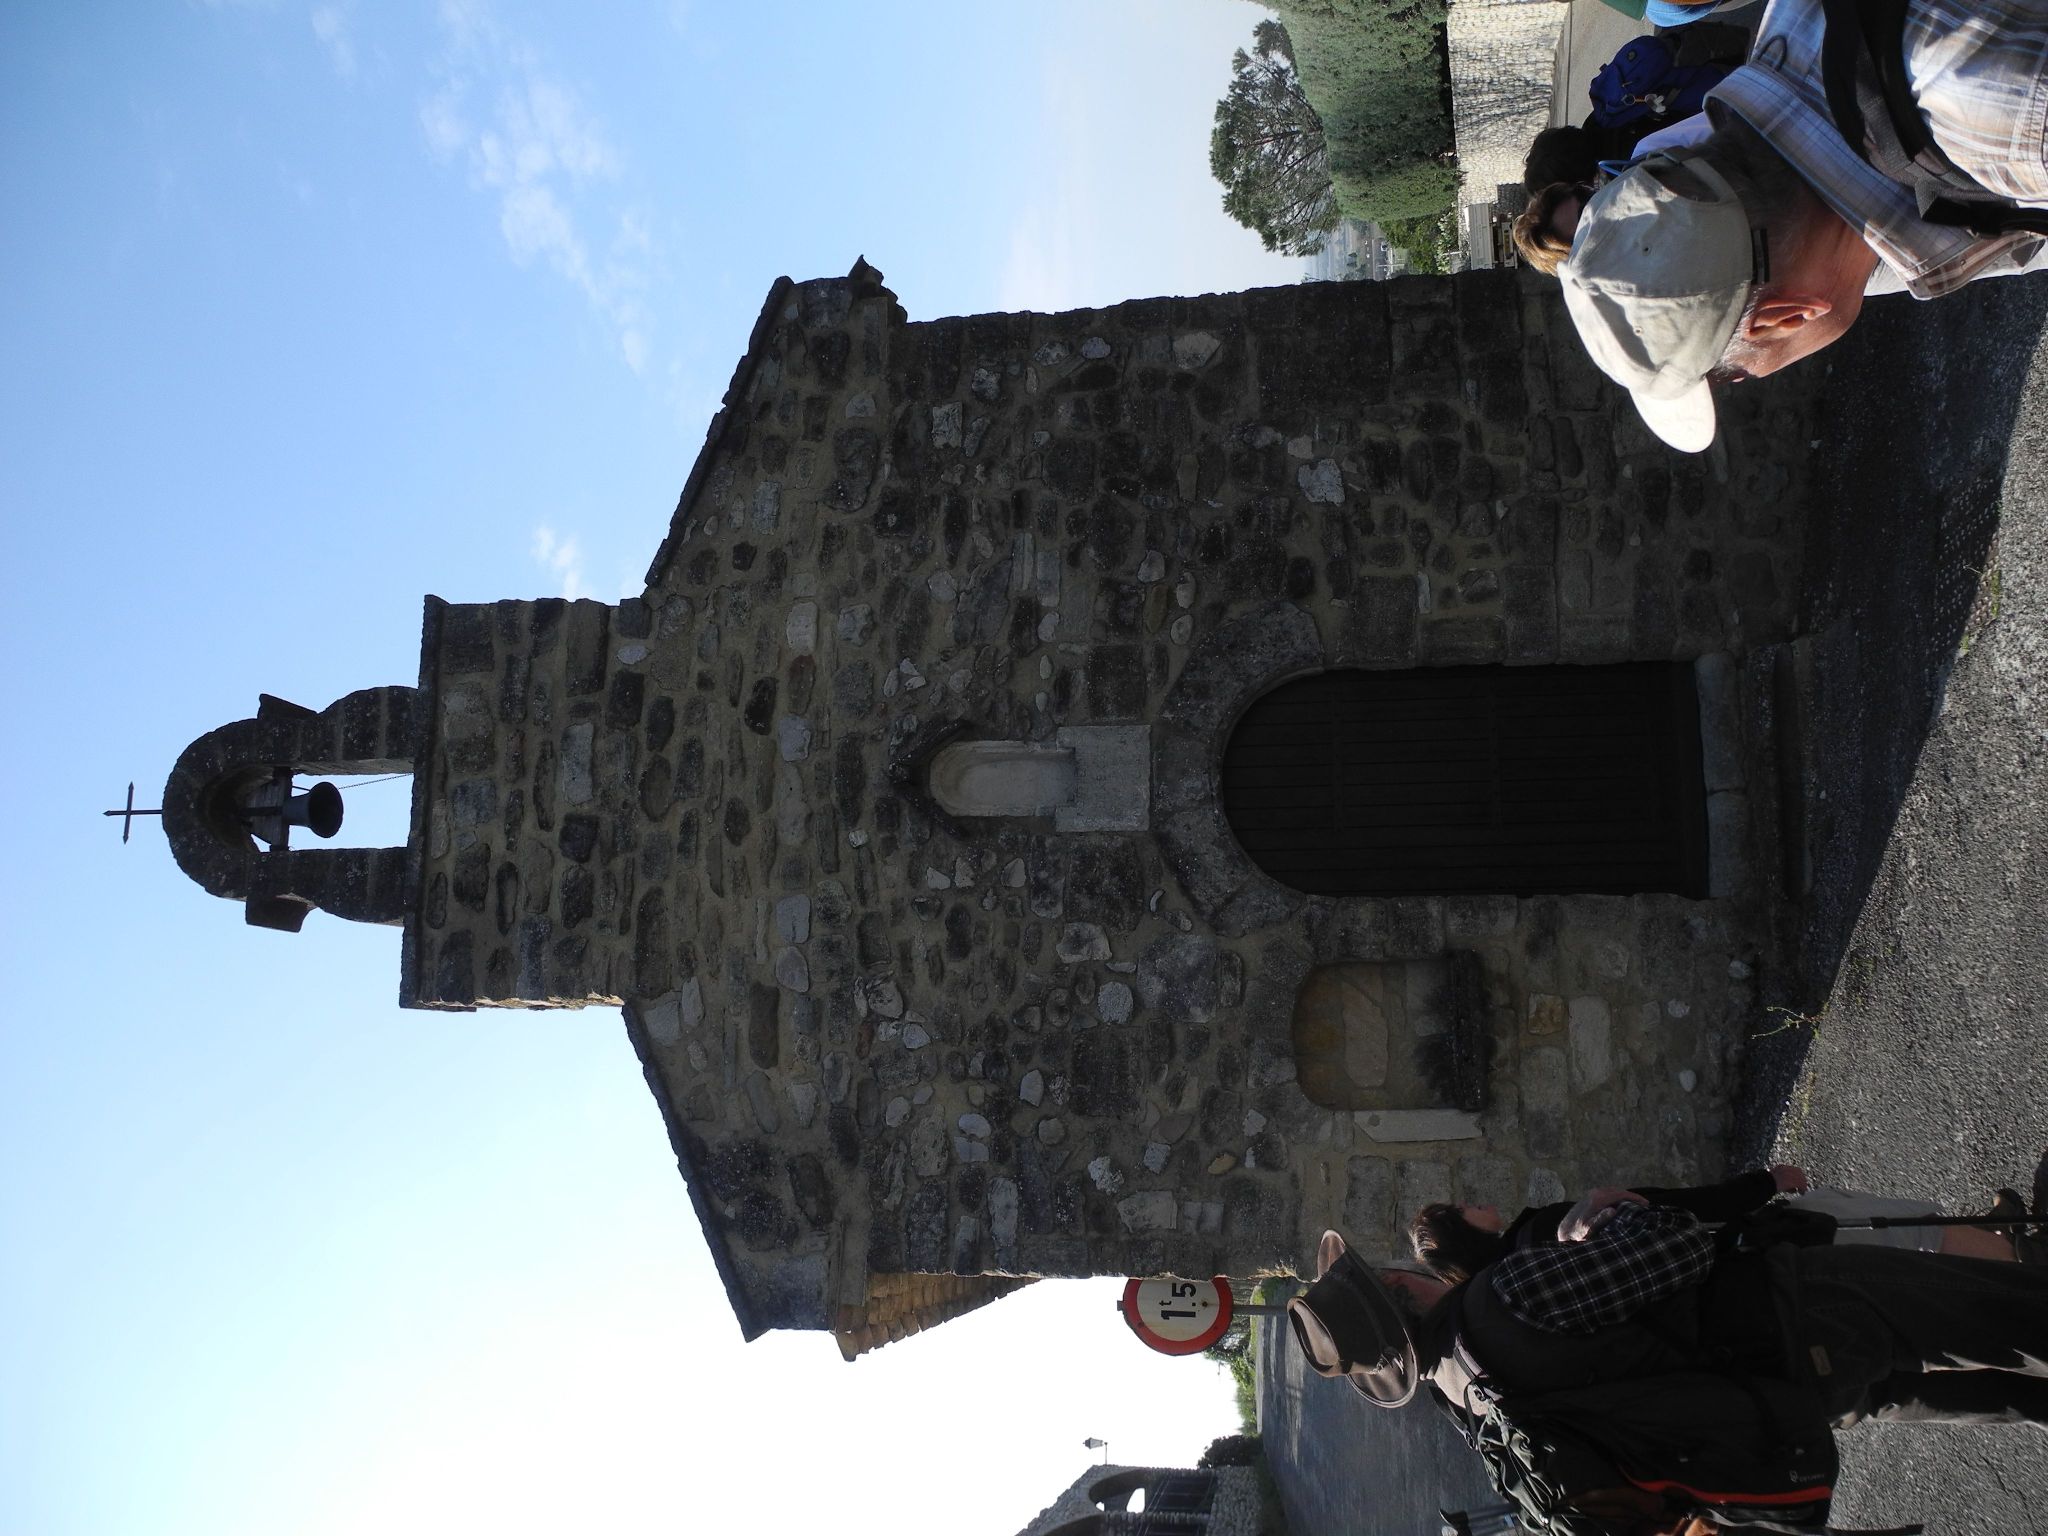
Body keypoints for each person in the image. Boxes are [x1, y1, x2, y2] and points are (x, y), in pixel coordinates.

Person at [1558, 0, 2048, 452]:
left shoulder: (2008, 139)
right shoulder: (1792, 19)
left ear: (1783, 317)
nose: (1747, 378)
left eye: (1734, 376)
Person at [1302, 1201, 2048, 1442]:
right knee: (2007, 1316)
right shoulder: (1502, 1298)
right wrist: (1605, 1220)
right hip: (1798, 1311)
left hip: (1782, 1398)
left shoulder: (1469, 1400)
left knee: (2006, 1394)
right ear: (1393, 1285)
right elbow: (1678, 1248)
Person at [1412, 1165, 2038, 1282]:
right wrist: (1764, 1183)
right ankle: (2021, 1263)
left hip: (1740, 1279)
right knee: (1907, 1231)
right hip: (1748, 1239)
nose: (1473, 1201)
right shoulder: (1546, 1230)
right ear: (1470, 1230)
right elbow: (1673, 1203)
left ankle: (1994, 1234)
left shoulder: (1521, 1279)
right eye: (1462, 1208)